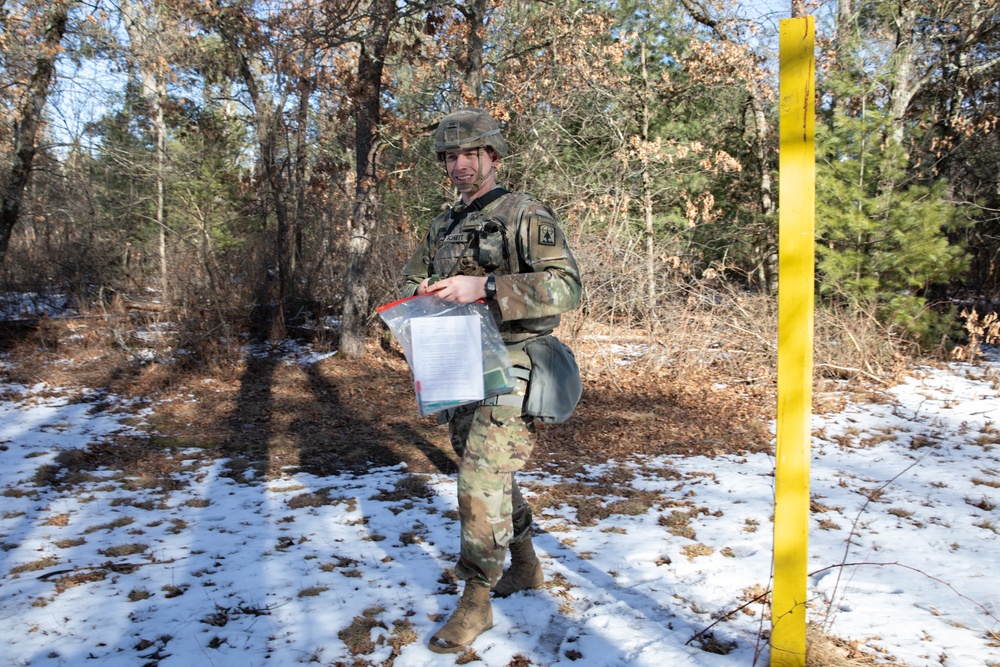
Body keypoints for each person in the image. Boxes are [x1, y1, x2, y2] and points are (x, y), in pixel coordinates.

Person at [399, 107, 582, 653]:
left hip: (515, 364)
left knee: (478, 480)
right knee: (490, 473)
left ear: (492, 157)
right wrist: (422, 297)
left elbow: (568, 288)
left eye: (466, 154)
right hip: (457, 360)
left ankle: (475, 601)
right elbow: (410, 281)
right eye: (448, 157)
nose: (456, 165)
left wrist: (486, 287)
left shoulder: (525, 215)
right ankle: (523, 564)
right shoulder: (443, 225)